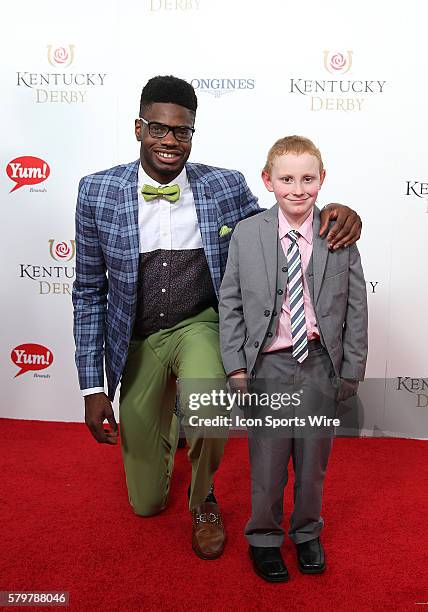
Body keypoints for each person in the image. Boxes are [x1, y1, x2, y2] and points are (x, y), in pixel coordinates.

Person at [72, 76, 362, 560]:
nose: (169, 141)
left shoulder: (223, 185)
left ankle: (204, 495)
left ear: (192, 134)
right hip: (138, 336)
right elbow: (87, 290)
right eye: (159, 129)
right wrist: (91, 387)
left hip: (198, 323)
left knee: (208, 400)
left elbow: (277, 224)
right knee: (145, 502)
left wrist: (336, 212)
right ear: (138, 128)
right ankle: (162, 435)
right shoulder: (97, 191)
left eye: (181, 131)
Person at [219, 135, 368, 580]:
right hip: (270, 365)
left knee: (312, 462)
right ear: (268, 180)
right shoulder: (247, 234)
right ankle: (264, 538)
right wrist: (237, 367)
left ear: (323, 179)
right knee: (266, 465)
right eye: (286, 179)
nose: (297, 189)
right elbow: (230, 302)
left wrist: (353, 369)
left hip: (320, 365)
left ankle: (306, 533)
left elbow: (357, 305)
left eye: (308, 178)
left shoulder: (337, 233)